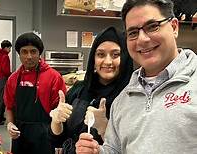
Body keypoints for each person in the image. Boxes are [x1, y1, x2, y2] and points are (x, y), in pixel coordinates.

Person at [75, 0, 197, 153]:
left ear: (174, 27)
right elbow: (115, 149)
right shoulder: (124, 98)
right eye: (133, 33)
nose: (142, 39)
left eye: (153, 26)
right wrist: (97, 151)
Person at [49, 27, 133, 154]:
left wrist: (103, 127)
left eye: (115, 55)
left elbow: (131, 148)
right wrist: (56, 121)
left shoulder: (131, 97)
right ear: (93, 59)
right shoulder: (79, 89)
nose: (108, 61)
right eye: (100, 54)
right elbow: (57, 138)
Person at [3, 32, 67, 154]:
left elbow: (60, 114)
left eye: (33, 51)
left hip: (46, 135)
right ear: (19, 54)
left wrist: (59, 141)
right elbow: (9, 106)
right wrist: (10, 123)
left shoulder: (54, 77)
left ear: (39, 54)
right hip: (20, 135)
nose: (29, 56)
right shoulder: (13, 79)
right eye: (24, 52)